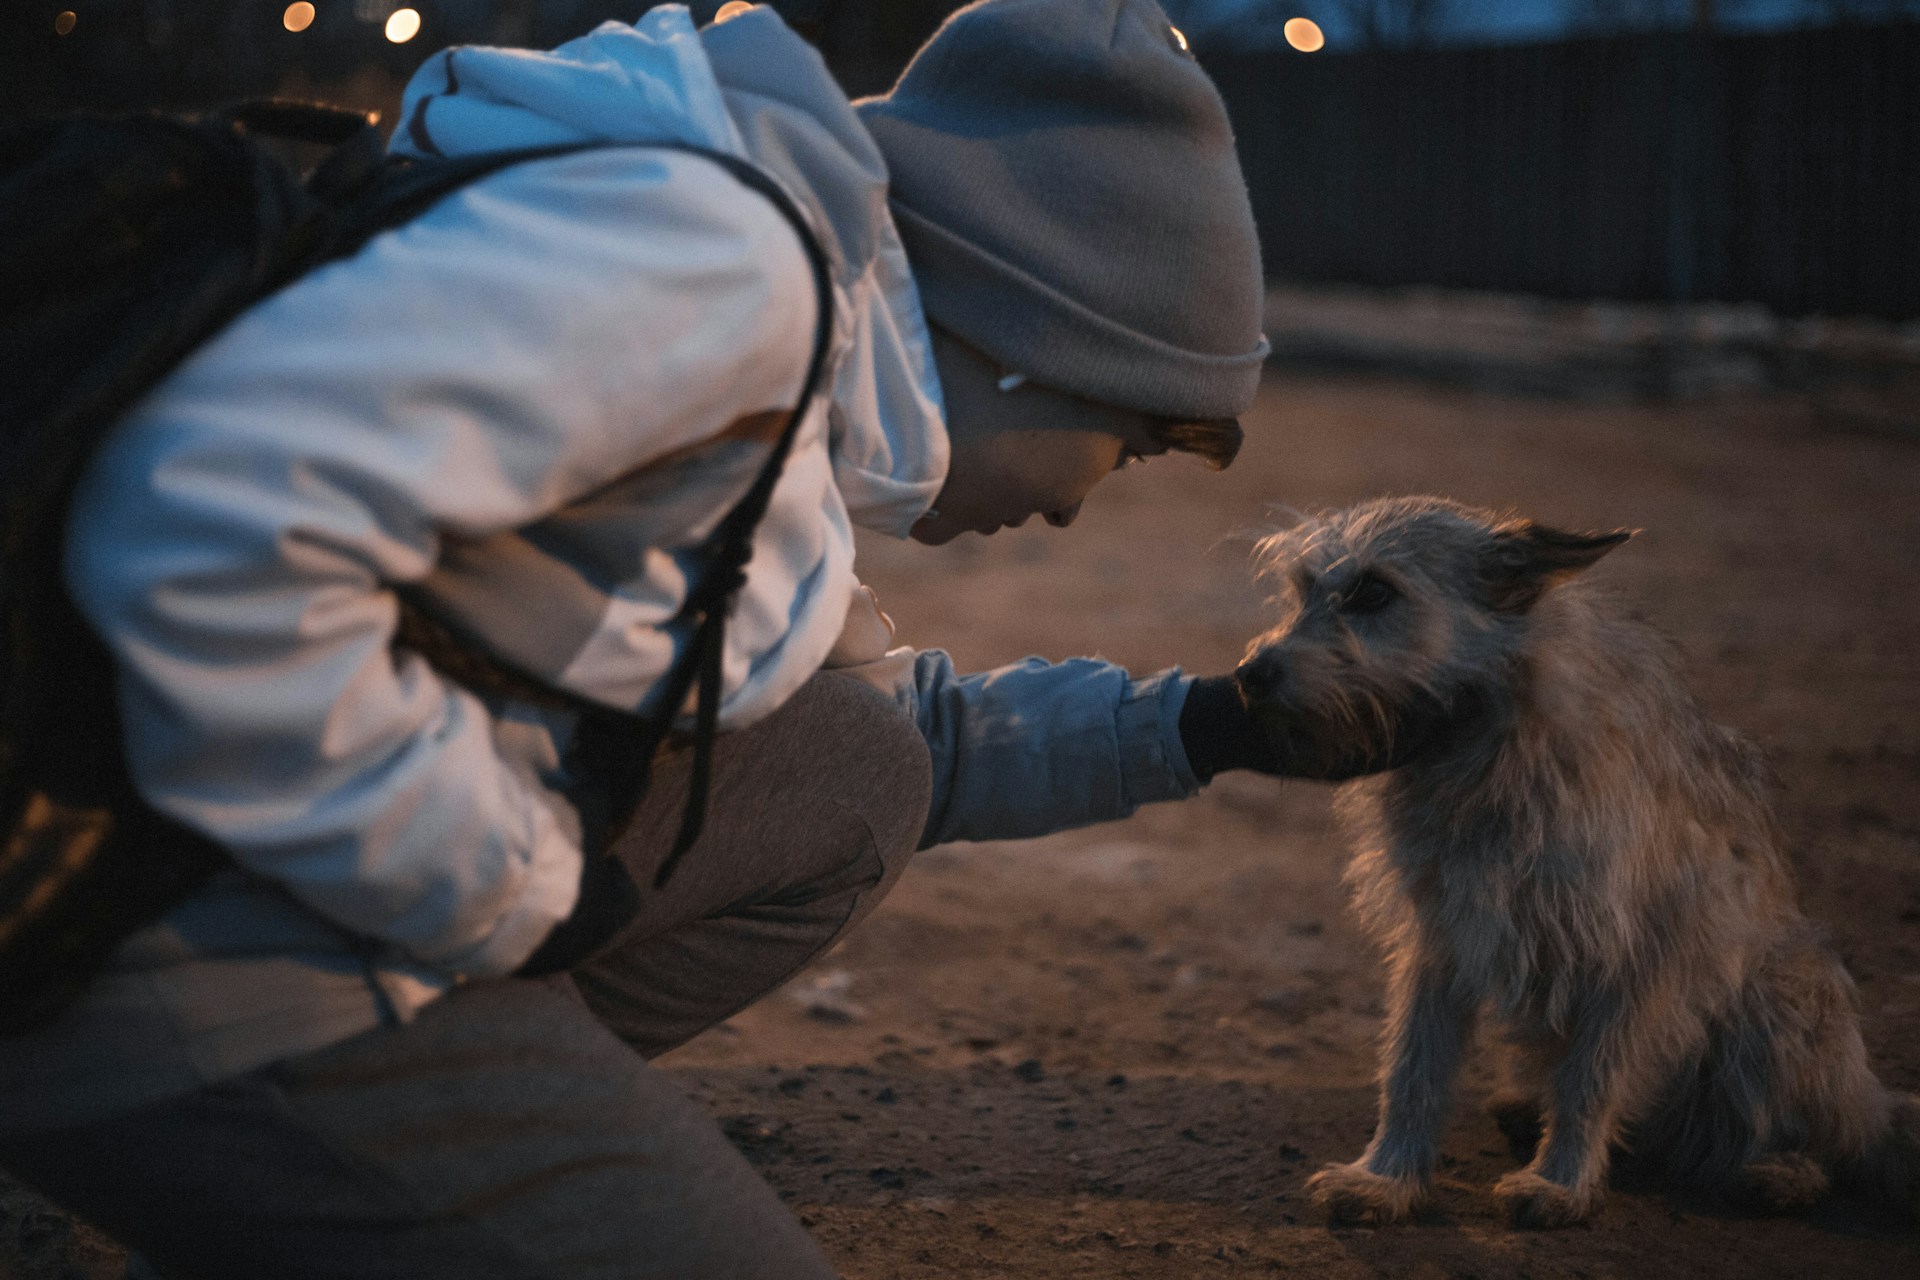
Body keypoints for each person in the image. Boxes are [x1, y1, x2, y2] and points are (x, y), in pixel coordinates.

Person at [0, 3, 1425, 1276]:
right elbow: (205, 531)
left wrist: (1205, 727)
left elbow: (888, 736)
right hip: (152, 929)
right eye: (1127, 443)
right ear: (1034, 341)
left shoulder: (789, 389)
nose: (1075, 506)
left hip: (242, 850)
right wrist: (495, 893)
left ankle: (349, 1172)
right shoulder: (719, 277)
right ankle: (322, 1143)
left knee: (856, 764)